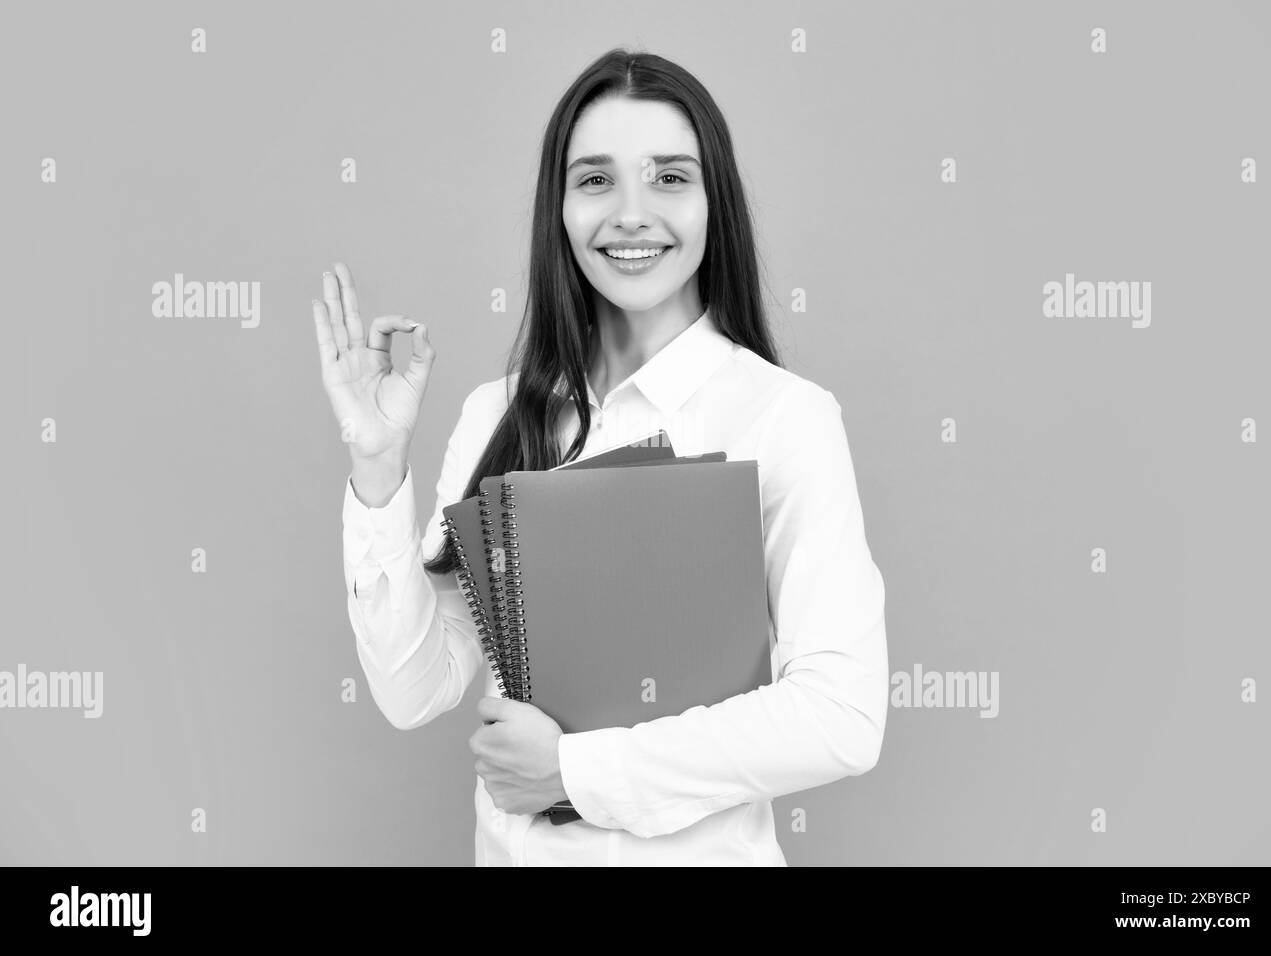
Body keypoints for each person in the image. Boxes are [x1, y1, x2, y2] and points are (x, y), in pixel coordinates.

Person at [311, 48, 888, 866]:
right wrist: (376, 467)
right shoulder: (496, 416)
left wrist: (574, 772)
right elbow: (416, 690)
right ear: (559, 209)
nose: (630, 214)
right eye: (595, 180)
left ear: (713, 202)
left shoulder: (784, 419)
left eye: (669, 178)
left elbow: (842, 715)